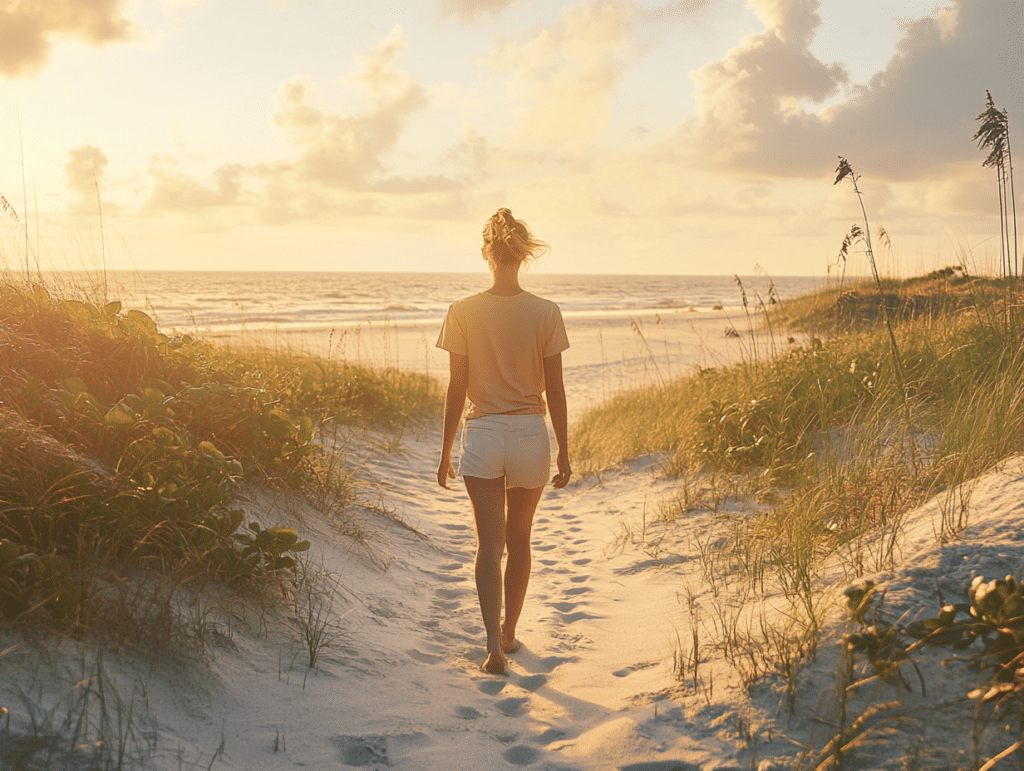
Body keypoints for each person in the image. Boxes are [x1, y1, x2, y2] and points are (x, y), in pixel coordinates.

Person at [436, 208, 572, 674]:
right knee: (520, 540)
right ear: (523, 256)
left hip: (484, 435)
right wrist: (566, 452)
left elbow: (457, 387)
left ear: (485, 255)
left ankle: (493, 647)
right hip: (530, 434)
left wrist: (445, 450)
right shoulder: (545, 312)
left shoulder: (463, 311)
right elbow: (555, 390)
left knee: (488, 545)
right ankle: (511, 631)